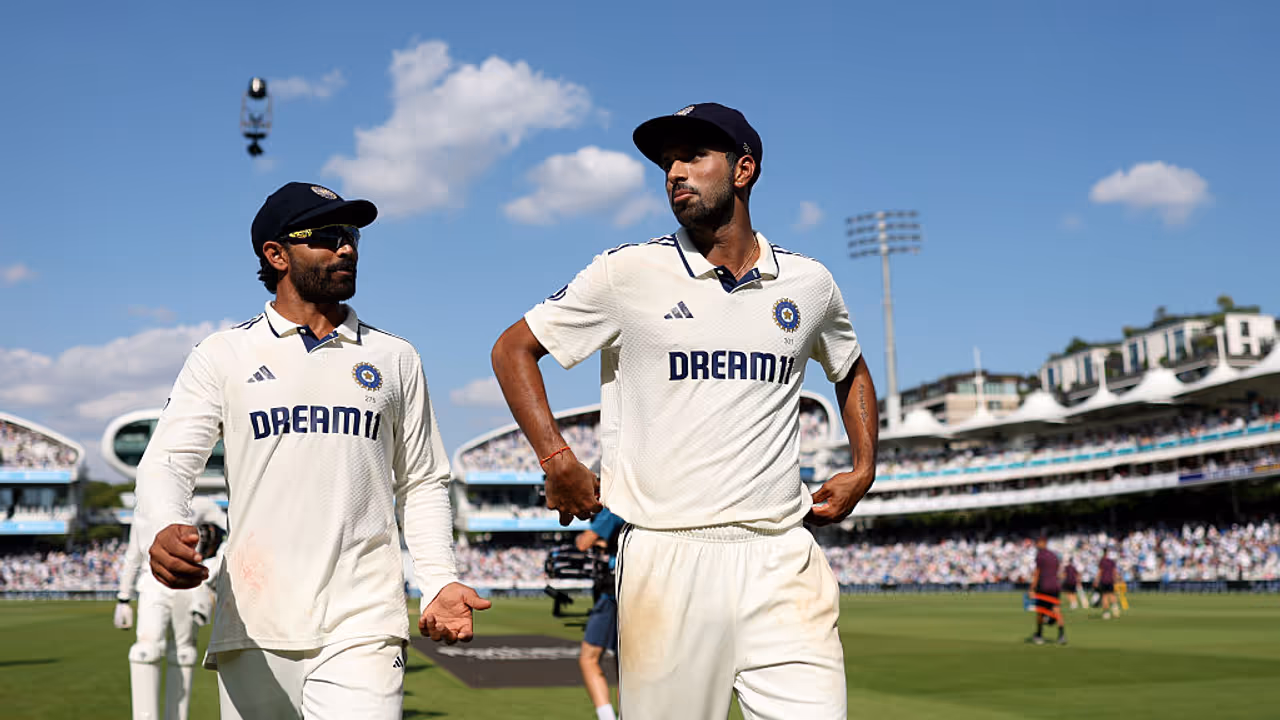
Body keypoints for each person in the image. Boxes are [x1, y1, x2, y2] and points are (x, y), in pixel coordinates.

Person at [492, 103, 877, 719]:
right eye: (667, 161)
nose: (674, 171)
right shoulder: (626, 272)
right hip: (667, 558)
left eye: (694, 156)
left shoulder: (810, 284)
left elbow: (850, 366)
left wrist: (864, 466)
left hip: (783, 554)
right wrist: (557, 458)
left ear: (743, 169)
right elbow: (514, 349)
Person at [135, 182, 489, 720]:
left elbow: (422, 481)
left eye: (350, 236)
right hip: (255, 615)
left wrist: (438, 578)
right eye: (325, 235)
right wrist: (163, 525)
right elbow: (167, 461)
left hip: (364, 617)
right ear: (275, 254)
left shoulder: (395, 357)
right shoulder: (223, 354)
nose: (346, 247)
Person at [115, 501, 225, 720]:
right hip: (153, 581)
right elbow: (134, 554)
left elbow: (233, 532)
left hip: (189, 581)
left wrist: (211, 570)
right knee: (146, 650)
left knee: (183, 654)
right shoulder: (147, 504)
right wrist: (123, 598)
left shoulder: (205, 505)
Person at [576, 503, 625, 720]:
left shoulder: (612, 509)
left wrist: (597, 540)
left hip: (611, 595)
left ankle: (607, 716)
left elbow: (583, 543)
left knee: (589, 658)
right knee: (623, 666)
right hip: (631, 590)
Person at [1027, 536, 1067, 645]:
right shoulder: (1054, 555)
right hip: (1055, 586)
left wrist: (1032, 588)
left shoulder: (1040, 555)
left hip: (1044, 587)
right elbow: (1058, 571)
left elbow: (1037, 573)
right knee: (1056, 610)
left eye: (1038, 543)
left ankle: (1039, 635)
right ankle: (1061, 635)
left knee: (1040, 611)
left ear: (1042, 543)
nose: (1037, 545)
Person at [1097, 548, 1120, 619]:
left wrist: (1096, 580)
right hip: (1110, 580)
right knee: (1112, 595)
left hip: (1104, 580)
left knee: (1104, 596)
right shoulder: (1111, 561)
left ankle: (1106, 613)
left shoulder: (1102, 561)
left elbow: (1100, 571)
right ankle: (1115, 608)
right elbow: (1114, 571)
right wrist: (1116, 579)